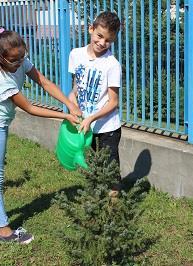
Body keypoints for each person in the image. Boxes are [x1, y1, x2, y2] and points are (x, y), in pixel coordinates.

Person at [0, 27, 81, 244]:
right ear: (1, 57)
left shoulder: (20, 59)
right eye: (14, 60)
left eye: (22, 57)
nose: (20, 62)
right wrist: (64, 117)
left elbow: (44, 82)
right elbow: (28, 107)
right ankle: (4, 232)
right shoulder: (1, 78)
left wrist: (68, 103)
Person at [67, 11, 122, 193]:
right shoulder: (76, 55)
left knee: (110, 172)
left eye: (108, 40)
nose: (102, 43)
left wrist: (91, 118)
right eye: (99, 36)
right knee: (91, 168)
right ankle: (97, 205)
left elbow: (113, 102)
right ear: (91, 29)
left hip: (107, 129)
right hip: (86, 127)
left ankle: (114, 209)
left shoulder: (112, 64)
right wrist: (71, 104)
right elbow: (76, 89)